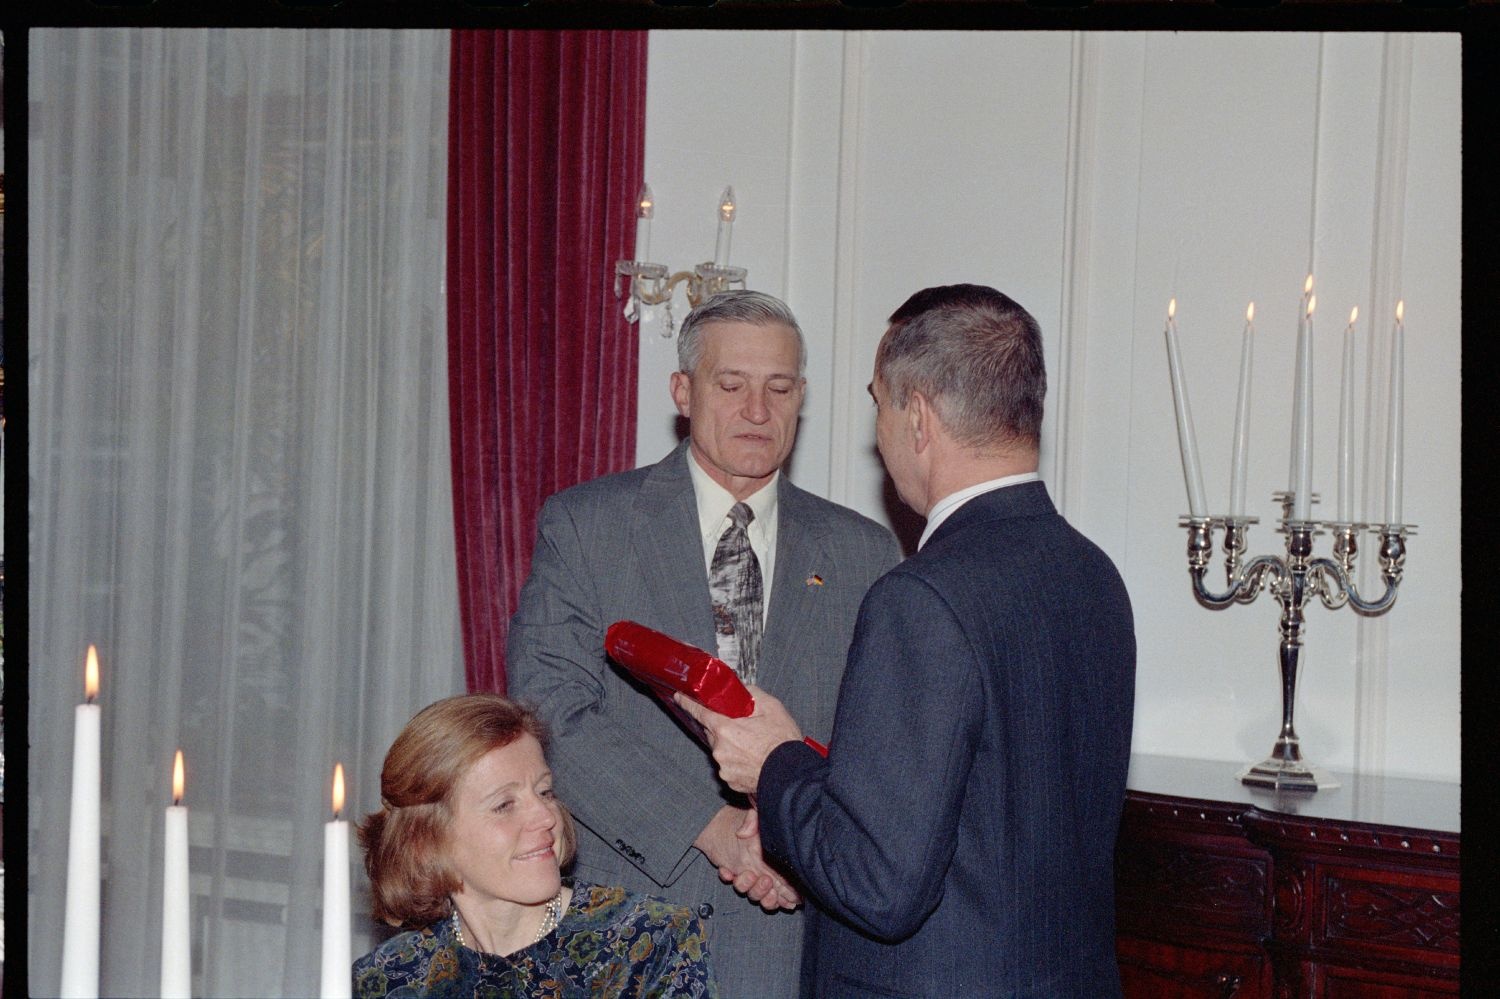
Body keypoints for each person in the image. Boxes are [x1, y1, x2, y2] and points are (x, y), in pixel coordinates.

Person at [678, 284, 1138, 997]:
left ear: (917, 415)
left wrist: (775, 761)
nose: (878, 432)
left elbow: (878, 881)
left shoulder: (920, 597)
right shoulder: (1093, 573)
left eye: (878, 402)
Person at [507, 290, 903, 997]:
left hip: (798, 936)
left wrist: (798, 835)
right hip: (628, 934)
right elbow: (549, 711)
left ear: (801, 397)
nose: (758, 409)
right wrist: (708, 825)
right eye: (732, 384)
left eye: (779, 387)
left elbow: (886, 746)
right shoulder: (587, 527)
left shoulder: (865, 552)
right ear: (683, 391)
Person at [352, 694, 719, 998]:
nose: (547, 817)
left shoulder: (650, 943)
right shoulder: (388, 979)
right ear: (427, 840)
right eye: (504, 805)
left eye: (545, 792)